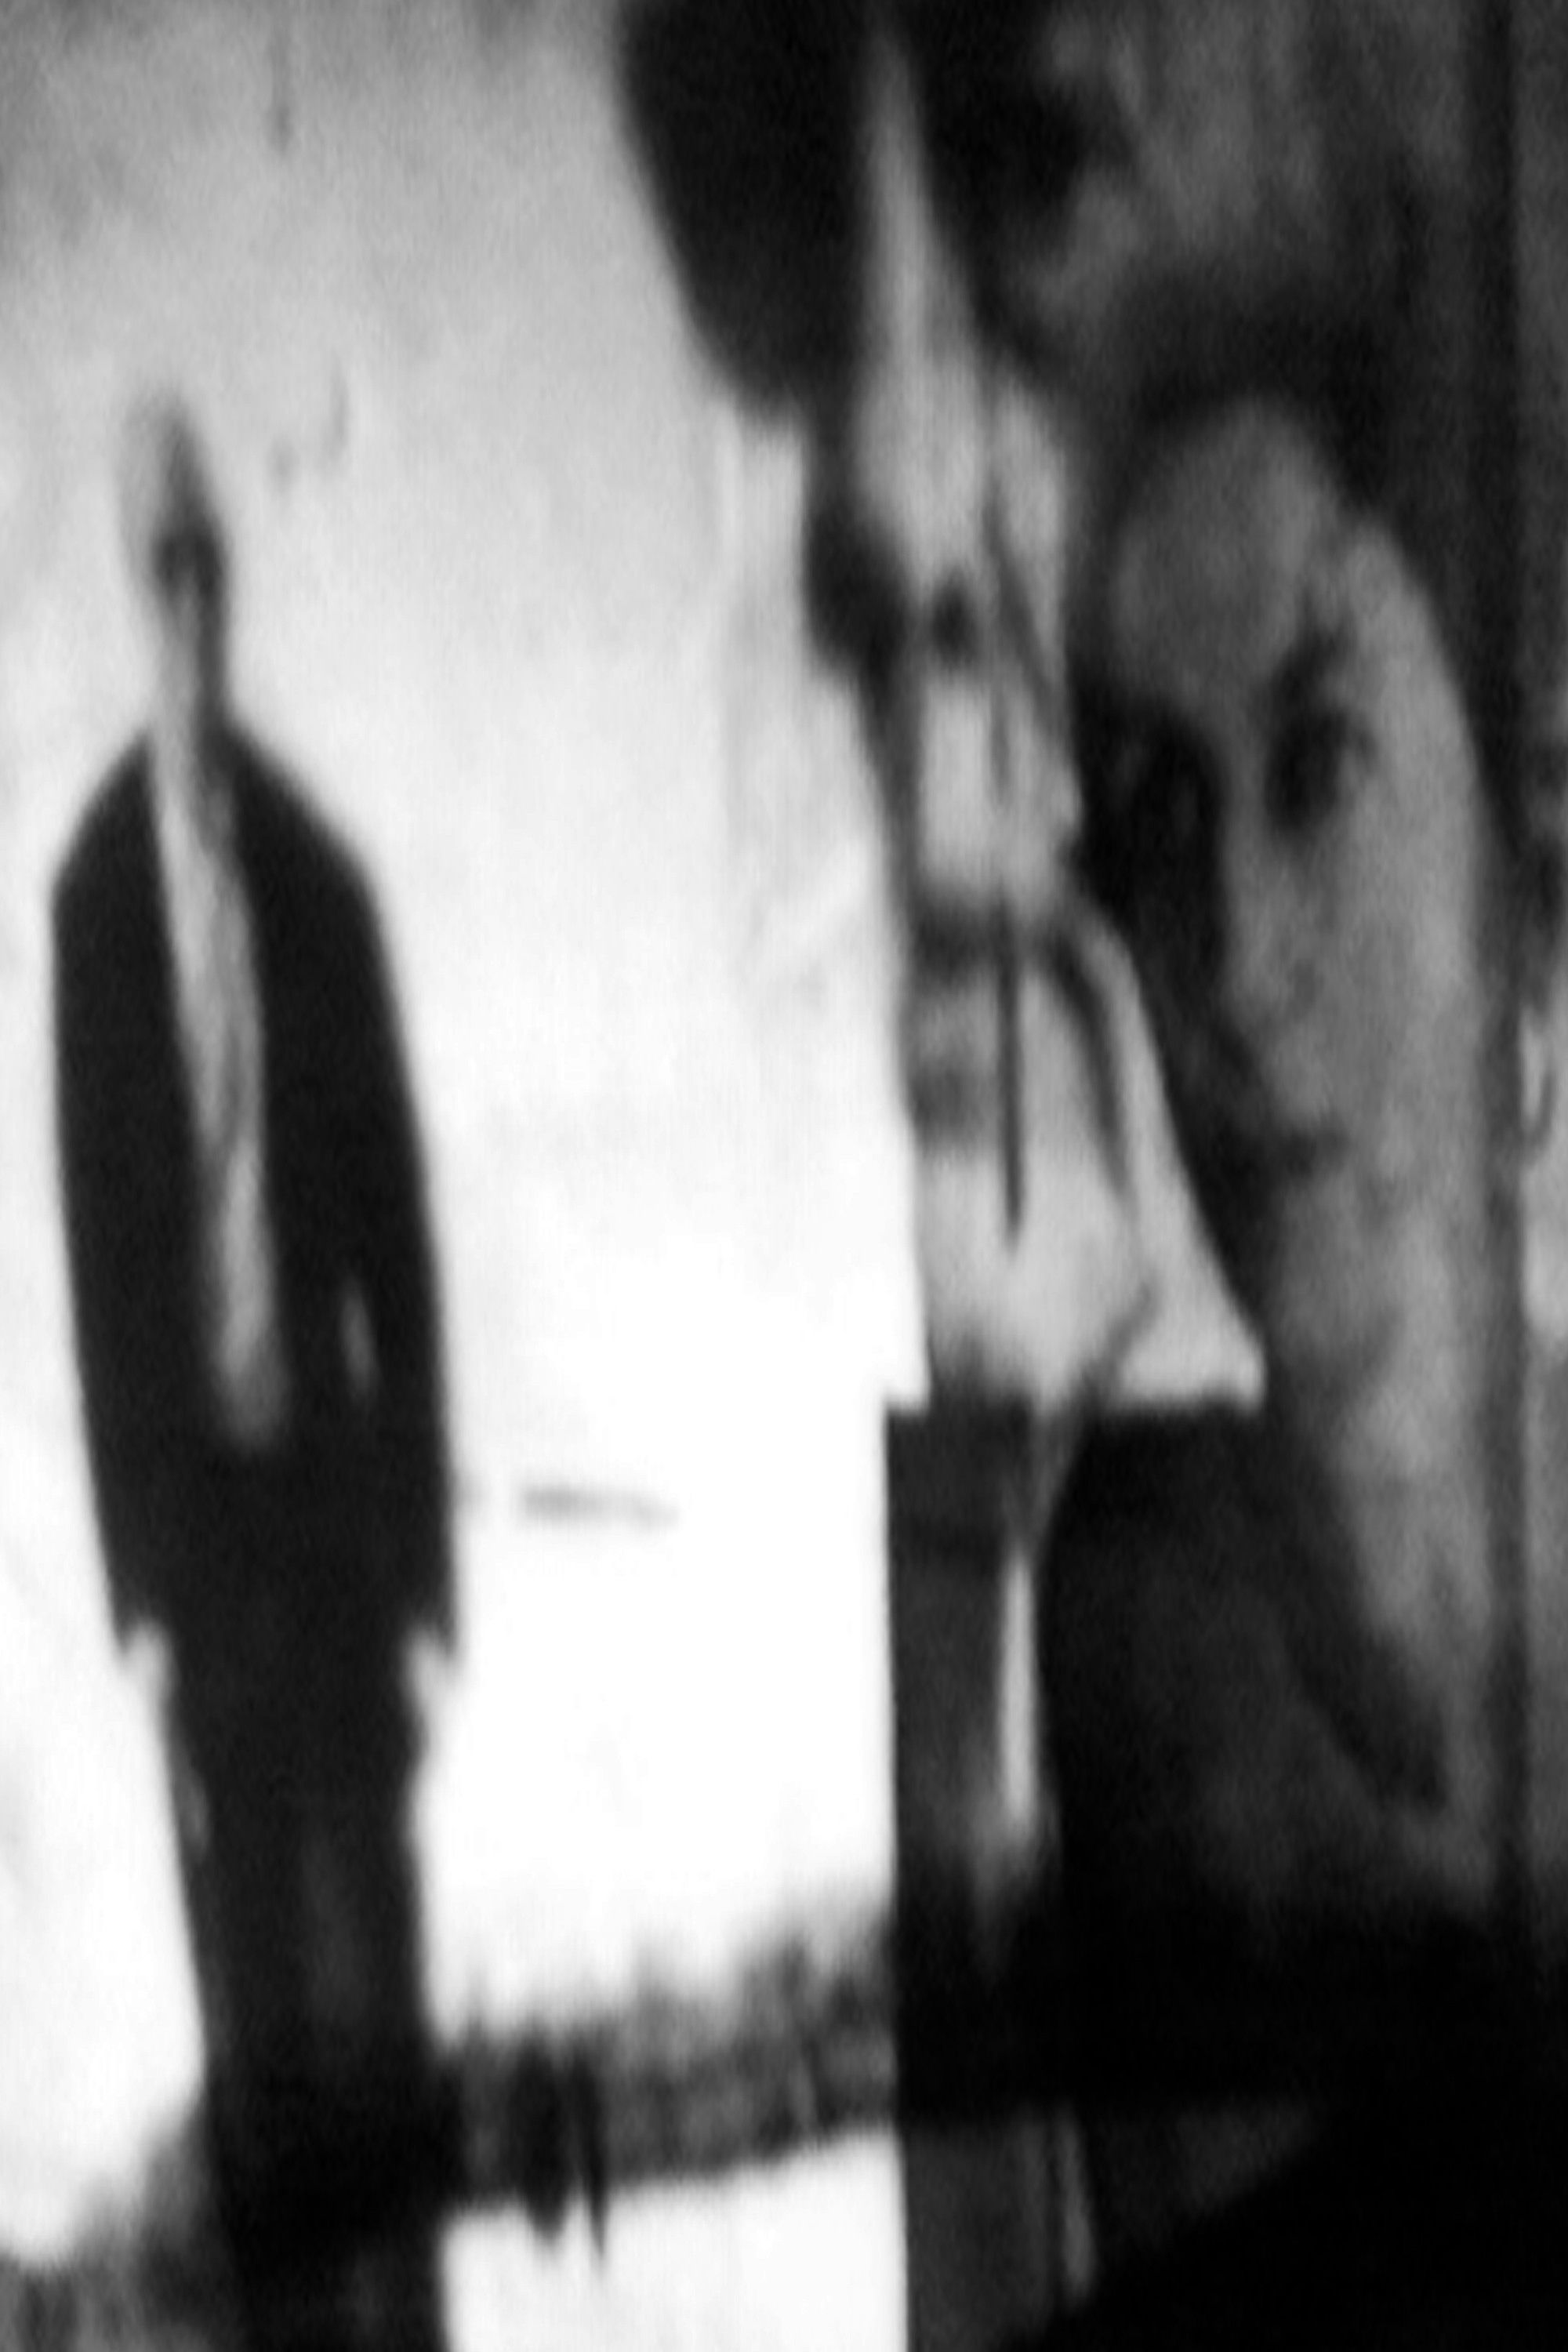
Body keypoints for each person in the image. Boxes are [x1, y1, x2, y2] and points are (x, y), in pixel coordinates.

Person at [622, 0, 1568, 2325]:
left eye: (1323, 765)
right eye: (1156, 815)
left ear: (1526, 906)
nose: (1232, 958)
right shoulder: (1140, 1619)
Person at [53, 395, 456, 2352]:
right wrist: (135, 1592)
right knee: (254, 2029)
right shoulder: (89, 905)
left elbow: (404, 1262)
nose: (194, 618)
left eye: (212, 574)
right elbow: (97, 1274)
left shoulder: (319, 883)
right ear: (132, 611)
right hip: (203, 1550)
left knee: (377, 2010)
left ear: (239, 592)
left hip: (332, 1528)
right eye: (164, 582)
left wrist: (429, 1585)